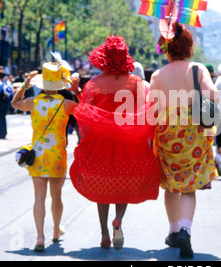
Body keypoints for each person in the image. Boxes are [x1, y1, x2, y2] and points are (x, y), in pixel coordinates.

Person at [69, 35, 160, 251]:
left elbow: (85, 111)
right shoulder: (137, 83)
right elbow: (144, 112)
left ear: (104, 59)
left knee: (102, 187)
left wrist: (76, 92)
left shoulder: (93, 84)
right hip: (128, 142)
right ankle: (118, 219)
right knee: (124, 183)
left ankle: (103, 232)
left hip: (100, 144)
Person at [151, 23, 218, 258]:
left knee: (171, 183)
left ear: (166, 48)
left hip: (167, 132)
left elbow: (152, 108)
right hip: (193, 131)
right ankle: (185, 231)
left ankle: (172, 231)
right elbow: (212, 95)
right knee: (189, 185)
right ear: (189, 46)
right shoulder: (198, 69)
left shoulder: (158, 75)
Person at [11, 63, 79, 252]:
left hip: (38, 156)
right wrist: (76, 90)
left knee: (38, 197)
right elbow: (85, 110)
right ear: (59, 84)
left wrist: (24, 85)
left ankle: (40, 237)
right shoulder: (65, 104)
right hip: (57, 155)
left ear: (41, 84)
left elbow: (15, 103)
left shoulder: (33, 102)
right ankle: (56, 231)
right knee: (56, 196)